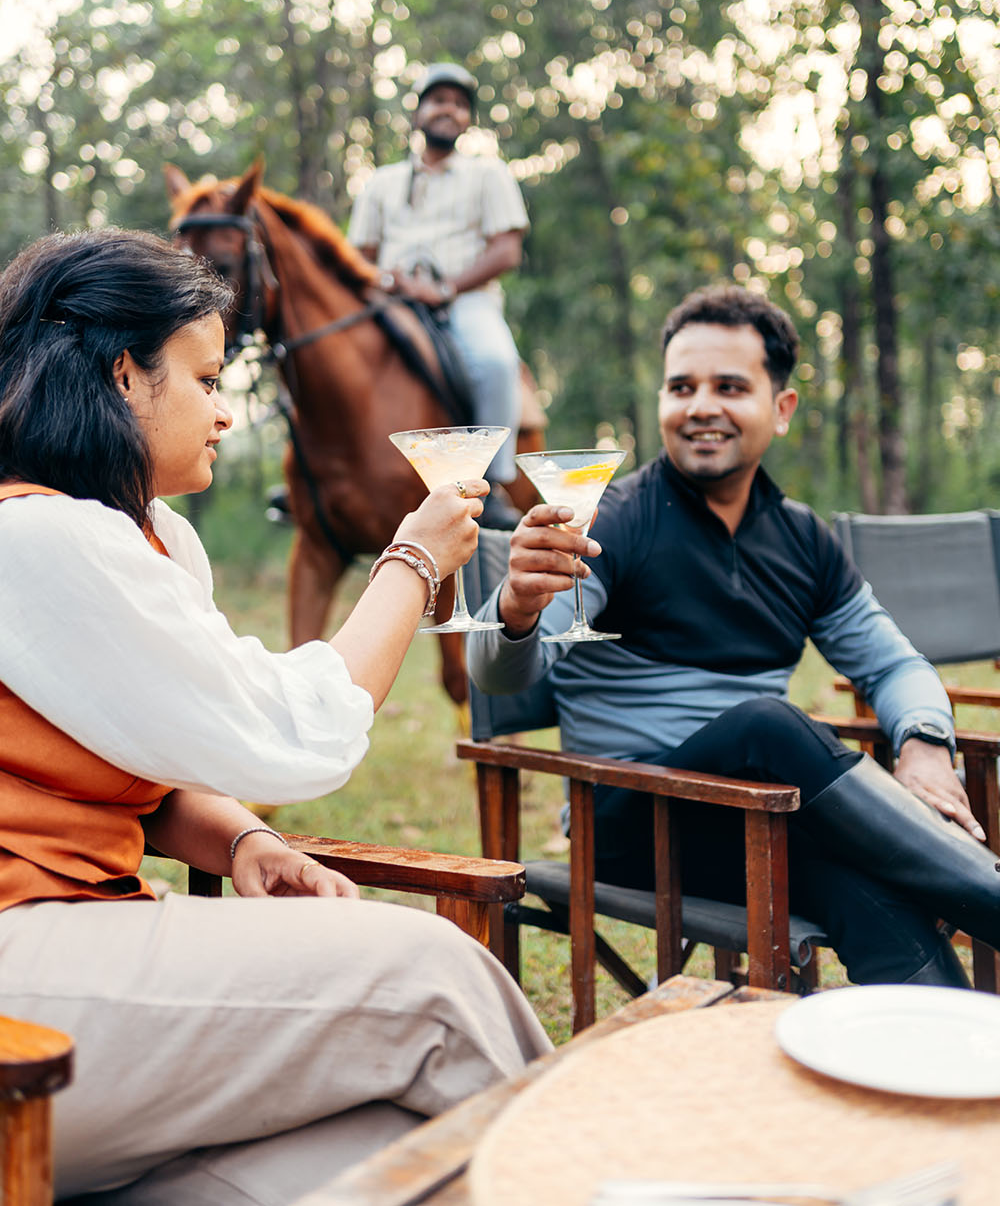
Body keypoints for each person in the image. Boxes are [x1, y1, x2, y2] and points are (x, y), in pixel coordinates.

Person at [0, 228, 550, 1205]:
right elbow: (298, 731)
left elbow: (143, 767)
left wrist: (242, 838)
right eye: (208, 380)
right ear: (125, 375)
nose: (224, 412)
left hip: (83, 948)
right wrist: (412, 563)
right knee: (432, 979)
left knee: (396, 1161)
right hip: (20, 973)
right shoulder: (30, 538)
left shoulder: (144, 538)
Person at [468, 283, 1000, 989]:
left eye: (729, 386)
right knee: (766, 726)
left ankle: (952, 1081)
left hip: (760, 821)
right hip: (632, 824)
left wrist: (927, 746)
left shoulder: (802, 540)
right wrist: (517, 608)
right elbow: (501, 675)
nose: (700, 406)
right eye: (681, 386)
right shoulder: (610, 523)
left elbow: (895, 665)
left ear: (780, 409)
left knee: (875, 900)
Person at [348, 62, 528, 529]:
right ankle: (312, 470)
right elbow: (359, 256)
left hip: (463, 300)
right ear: (418, 113)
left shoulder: (489, 175)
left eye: (459, 104)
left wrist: (443, 288)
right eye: (438, 100)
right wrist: (389, 282)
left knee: (495, 363)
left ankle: (497, 481)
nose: (448, 109)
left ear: (467, 119)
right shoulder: (381, 182)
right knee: (333, 358)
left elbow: (506, 250)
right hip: (390, 300)